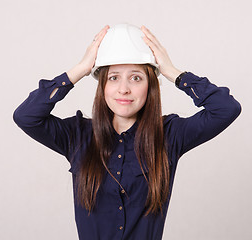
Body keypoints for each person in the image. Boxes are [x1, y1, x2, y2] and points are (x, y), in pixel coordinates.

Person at [13, 24, 241, 240]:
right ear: (102, 86)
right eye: (113, 78)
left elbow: (226, 109)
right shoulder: (77, 135)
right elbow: (26, 116)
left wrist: (173, 72)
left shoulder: (169, 135)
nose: (124, 88)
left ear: (150, 85)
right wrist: (80, 69)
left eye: (136, 77)